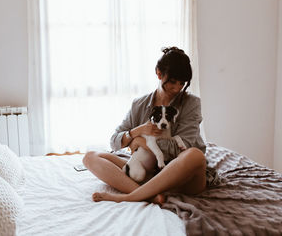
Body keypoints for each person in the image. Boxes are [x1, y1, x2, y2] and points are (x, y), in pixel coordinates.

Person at [83, 46, 213, 204]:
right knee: (90, 157)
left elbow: (182, 147)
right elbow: (114, 141)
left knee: (195, 155)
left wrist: (139, 142)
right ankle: (148, 195)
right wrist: (135, 132)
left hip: (182, 175)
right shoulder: (139, 104)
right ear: (159, 73)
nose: (177, 88)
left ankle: (128, 196)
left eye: (182, 83)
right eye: (172, 81)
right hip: (149, 170)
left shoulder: (191, 103)